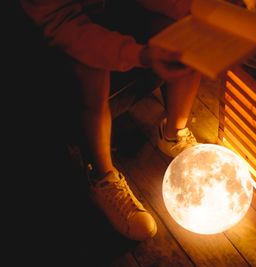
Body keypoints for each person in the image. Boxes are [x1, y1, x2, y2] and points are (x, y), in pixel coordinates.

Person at [20, 0, 201, 241]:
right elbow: (63, 24)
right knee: (91, 70)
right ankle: (102, 177)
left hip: (117, 7)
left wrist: (193, 8)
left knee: (193, 34)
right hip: (67, 30)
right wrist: (139, 55)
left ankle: (173, 134)